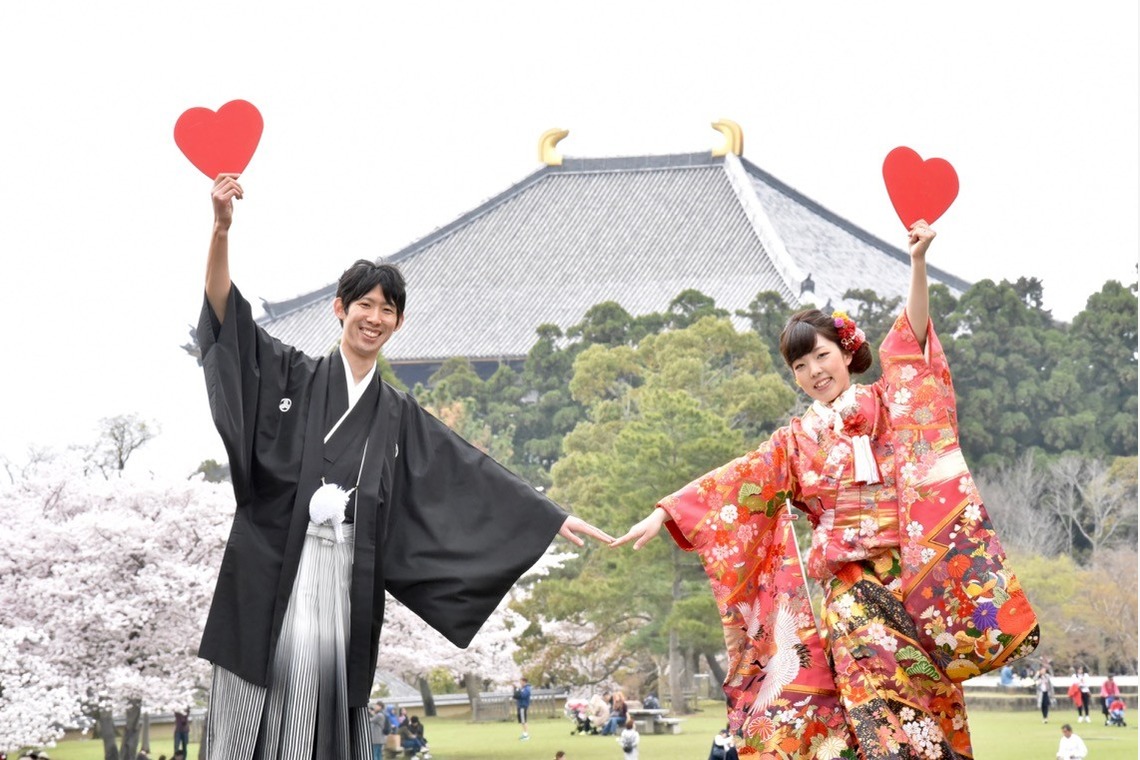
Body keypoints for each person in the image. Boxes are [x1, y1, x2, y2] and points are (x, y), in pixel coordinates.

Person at [196, 175, 612, 760]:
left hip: (342, 585)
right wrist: (220, 229)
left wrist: (546, 519)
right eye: (363, 305)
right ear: (339, 309)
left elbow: (467, 472)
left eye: (386, 310)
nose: (373, 317)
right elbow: (224, 319)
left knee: (320, 719)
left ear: (399, 323)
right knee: (248, 715)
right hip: (273, 576)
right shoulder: (290, 375)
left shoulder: (398, 414)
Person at [613, 221, 1039, 758]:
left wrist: (918, 264)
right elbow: (738, 481)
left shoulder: (890, 405)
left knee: (934, 712)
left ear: (845, 351)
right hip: (851, 597)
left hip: (916, 592)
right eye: (800, 365)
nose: (814, 371)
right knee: (874, 716)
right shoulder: (795, 443)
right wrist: (667, 512)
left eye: (821, 355)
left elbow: (912, 340)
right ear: (793, 377)